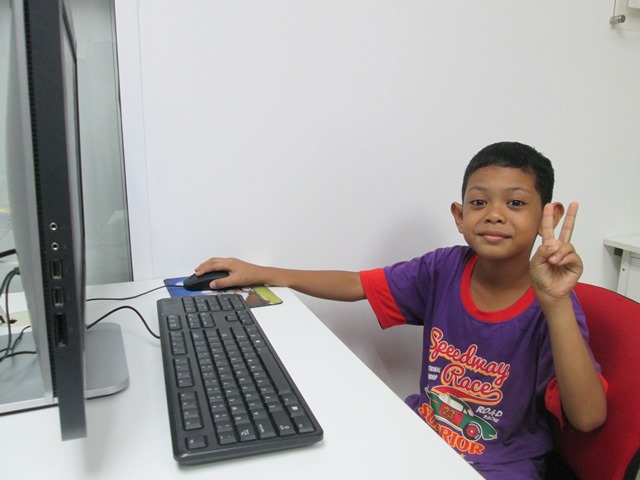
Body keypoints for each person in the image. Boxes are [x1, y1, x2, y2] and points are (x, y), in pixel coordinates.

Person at [194, 142, 607, 479]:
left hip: (497, 464)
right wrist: (262, 272)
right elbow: (357, 284)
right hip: (421, 434)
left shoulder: (553, 306)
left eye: (515, 203)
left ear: (547, 216)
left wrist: (556, 305)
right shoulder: (444, 268)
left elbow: (588, 418)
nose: (495, 214)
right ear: (460, 216)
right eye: (480, 202)